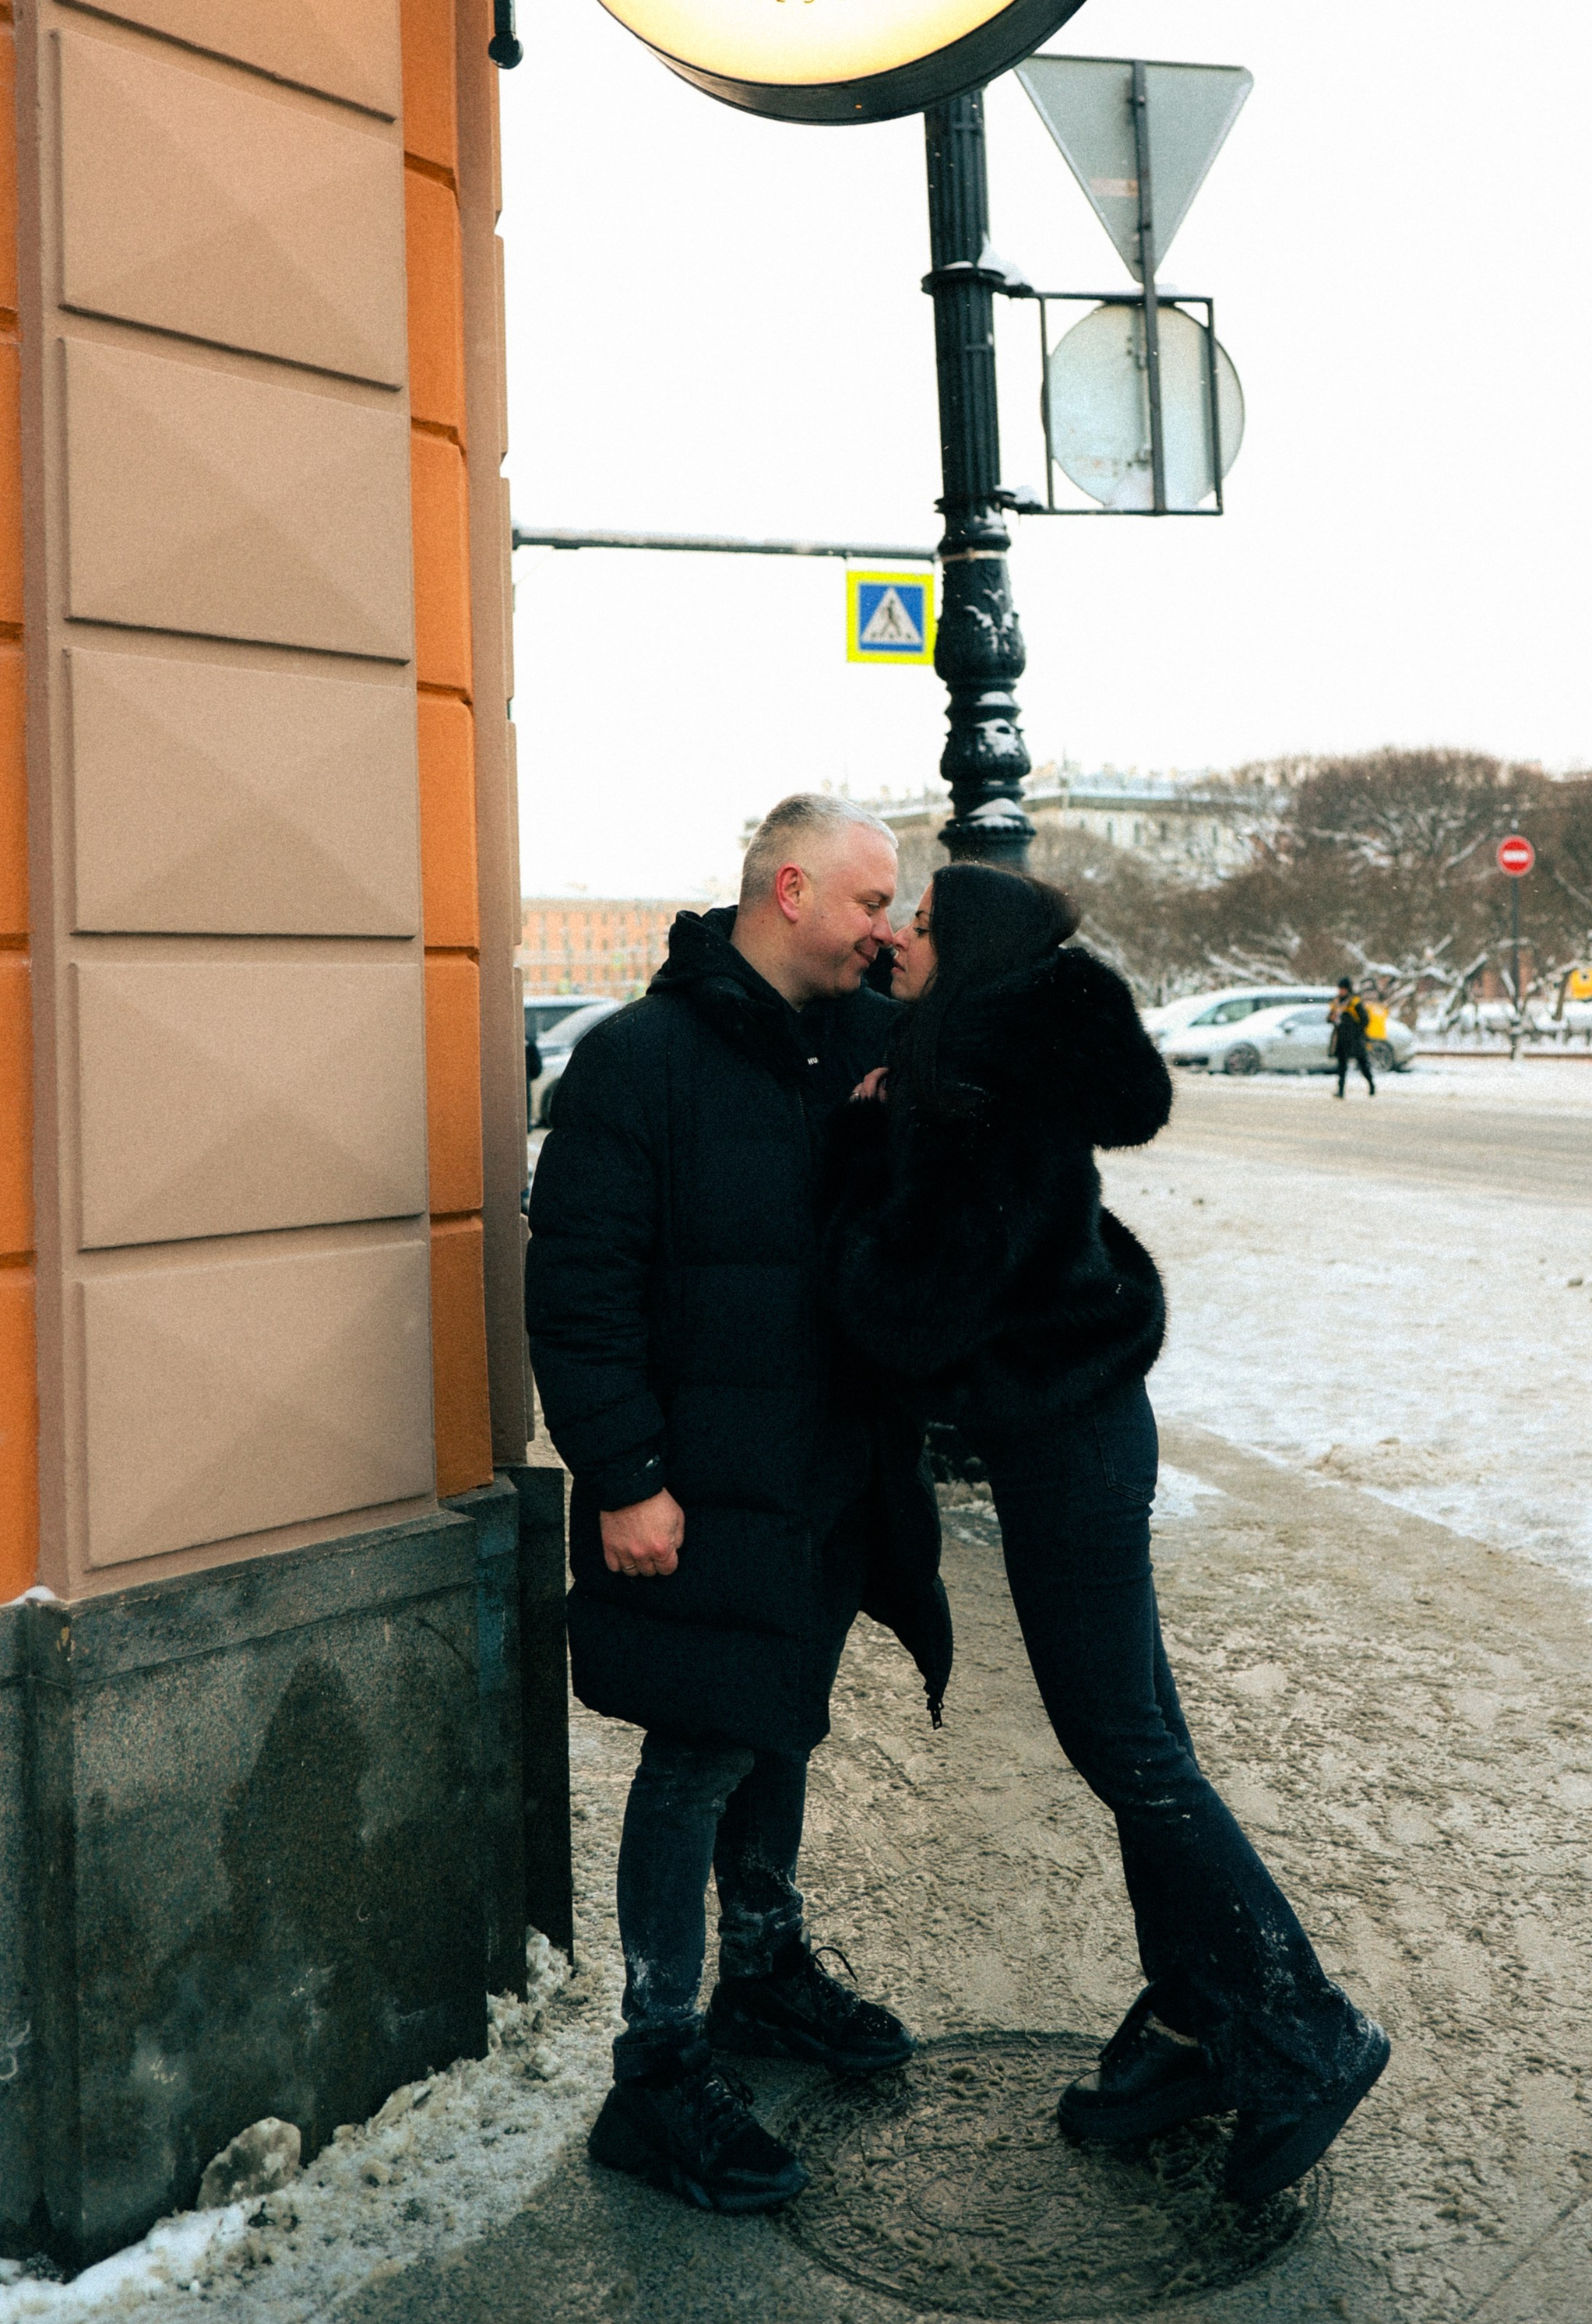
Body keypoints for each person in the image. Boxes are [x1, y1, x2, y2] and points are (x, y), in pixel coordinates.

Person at [822, 865, 1390, 2210]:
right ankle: (1198, 2028)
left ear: (968, 953)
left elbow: (913, 1305)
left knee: (1123, 1747)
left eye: (921, 925)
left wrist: (857, 1149)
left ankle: (1302, 2024)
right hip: (1090, 1417)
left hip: (1062, 1439)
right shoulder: (1004, 1055)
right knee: (1145, 1739)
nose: (899, 940)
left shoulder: (970, 1083)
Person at [524, 797, 951, 2215]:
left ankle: (762, 1967)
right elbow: (578, 1294)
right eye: (872, 904)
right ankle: (655, 2072)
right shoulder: (639, 1064)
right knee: (701, 1750)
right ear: (790, 890)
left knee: (778, 1726)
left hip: (818, 1482)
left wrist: (931, 1023)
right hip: (699, 1487)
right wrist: (626, 1480)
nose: (886, 930)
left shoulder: (859, 1047)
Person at [1330, 977, 1375, 1098]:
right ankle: (1341, 1090)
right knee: (1341, 1066)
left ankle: (1371, 1084)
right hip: (1341, 1038)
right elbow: (1330, 1017)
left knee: (1362, 1063)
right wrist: (1332, 1019)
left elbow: (1365, 1020)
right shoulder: (1336, 1002)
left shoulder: (1355, 1002)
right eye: (1340, 989)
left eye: (1343, 989)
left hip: (1355, 1040)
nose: (1341, 991)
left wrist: (1354, 1030)